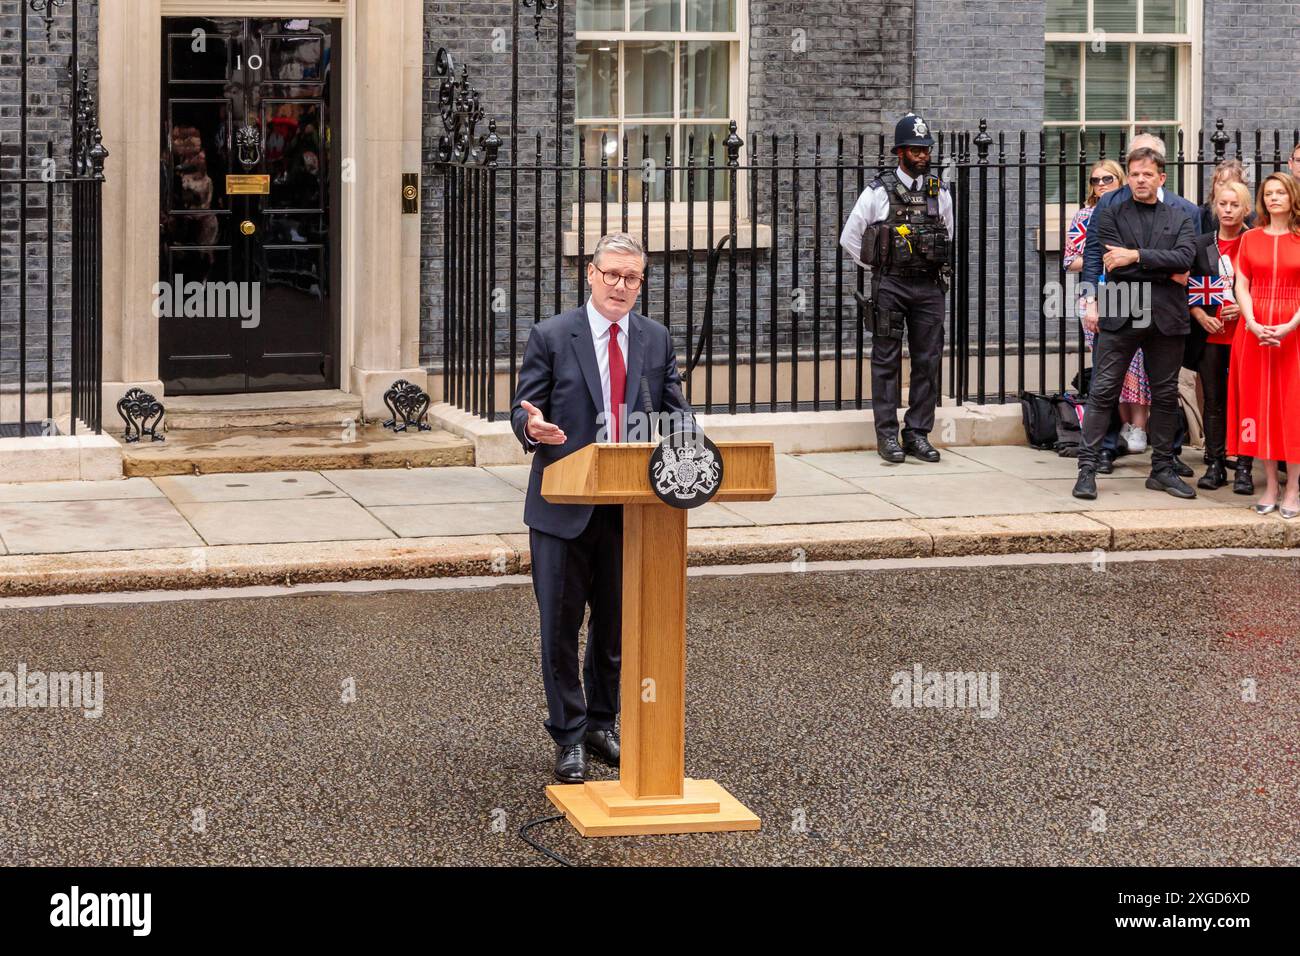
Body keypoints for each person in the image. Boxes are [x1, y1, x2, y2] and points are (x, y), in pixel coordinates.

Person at [510, 232, 695, 783]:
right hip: (563, 508)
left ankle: (600, 723)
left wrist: (691, 444)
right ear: (589, 274)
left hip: (629, 511)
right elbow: (523, 410)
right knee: (560, 631)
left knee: (615, 631)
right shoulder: (550, 335)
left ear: (642, 284)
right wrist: (532, 428)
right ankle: (567, 735)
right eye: (610, 274)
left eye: (631, 277)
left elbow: (675, 412)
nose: (619, 285)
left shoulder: (655, 340)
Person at [1074, 147, 1198, 501]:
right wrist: (1161, 268)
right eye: (1134, 174)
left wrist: (1136, 255)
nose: (1140, 180)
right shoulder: (1111, 209)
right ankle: (1087, 467)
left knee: (1163, 394)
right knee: (1103, 391)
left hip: (1167, 315)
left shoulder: (1181, 215)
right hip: (1120, 308)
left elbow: (1186, 259)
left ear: (1161, 177)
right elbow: (1109, 260)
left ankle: (1162, 469)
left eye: (1147, 174)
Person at [840, 111, 955, 464]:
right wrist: (879, 267)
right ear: (899, 151)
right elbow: (850, 238)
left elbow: (947, 234)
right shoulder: (878, 191)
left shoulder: (940, 193)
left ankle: (917, 433)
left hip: (929, 287)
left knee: (928, 361)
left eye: (926, 150)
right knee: (886, 361)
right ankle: (887, 435)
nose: (923, 156)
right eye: (916, 150)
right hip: (891, 286)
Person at [1065, 159, 1148, 471]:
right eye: (1095, 180)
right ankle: (1106, 443)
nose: (1100, 184)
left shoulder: (1132, 212)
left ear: (1121, 179)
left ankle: (1135, 429)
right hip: (1096, 298)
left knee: (1138, 365)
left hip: (1133, 295)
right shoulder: (1085, 216)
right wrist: (1101, 254)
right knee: (1106, 370)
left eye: (1107, 179)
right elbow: (1070, 260)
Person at [1227, 173, 1300, 517]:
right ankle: (1270, 483)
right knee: (1261, 407)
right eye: (1268, 193)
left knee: (1292, 408)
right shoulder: (1250, 238)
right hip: (1254, 331)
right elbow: (1241, 284)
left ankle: (1293, 488)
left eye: (1280, 192)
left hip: (1294, 331)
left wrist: (1289, 325)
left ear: (1292, 197)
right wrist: (1253, 322)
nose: (1273, 198)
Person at [1184, 181, 1255, 493]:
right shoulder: (1200, 245)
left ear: (1246, 209)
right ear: (1215, 207)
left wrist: (1243, 308)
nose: (1227, 210)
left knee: (1246, 400)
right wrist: (1200, 315)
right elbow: (1184, 285)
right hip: (1211, 336)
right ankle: (1215, 462)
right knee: (1213, 400)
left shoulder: (1253, 242)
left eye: (1234, 205)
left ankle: (1244, 466)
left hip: (1245, 333)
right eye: (1223, 204)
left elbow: (1263, 283)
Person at [1198, 159, 1255, 234]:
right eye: (1221, 183)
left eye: (1233, 183)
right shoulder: (1201, 215)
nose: (1227, 187)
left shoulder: (1253, 220)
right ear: (1213, 185)